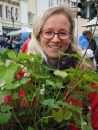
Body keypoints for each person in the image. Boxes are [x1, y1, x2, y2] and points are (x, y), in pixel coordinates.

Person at [4, 4, 98, 130]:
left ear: (70, 37)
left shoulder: (85, 80)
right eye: (48, 32)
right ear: (38, 36)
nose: (55, 39)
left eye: (63, 33)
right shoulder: (20, 78)